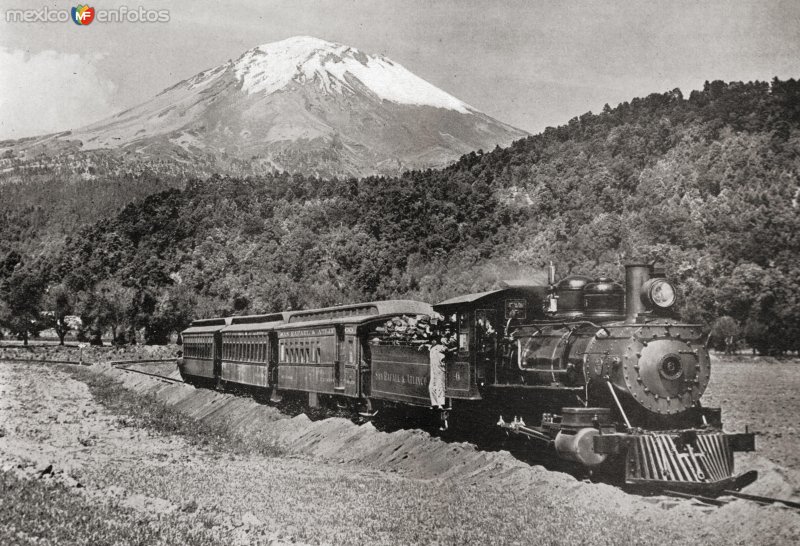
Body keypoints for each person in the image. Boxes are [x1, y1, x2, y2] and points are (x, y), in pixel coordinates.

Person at [428, 337, 448, 409]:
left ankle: (441, 404)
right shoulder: (432, 348)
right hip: (433, 369)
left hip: (440, 369)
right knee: (431, 386)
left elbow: (446, 349)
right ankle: (435, 403)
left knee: (440, 386)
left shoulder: (439, 347)